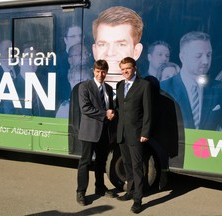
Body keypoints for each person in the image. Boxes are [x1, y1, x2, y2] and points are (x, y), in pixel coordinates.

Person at [160, 31, 222, 130]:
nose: (205, 61)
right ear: (182, 57)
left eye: (209, 55)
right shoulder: (162, 89)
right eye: (198, 56)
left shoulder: (219, 89)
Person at [76, 60, 115, 206]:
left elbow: (110, 108)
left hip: (104, 132)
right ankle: (81, 192)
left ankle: (100, 187)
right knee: (85, 162)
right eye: (98, 71)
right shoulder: (85, 86)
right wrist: (105, 114)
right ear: (93, 71)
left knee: (101, 162)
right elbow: (85, 108)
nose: (101, 74)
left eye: (103, 71)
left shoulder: (109, 89)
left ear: (106, 72)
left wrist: (112, 113)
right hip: (89, 132)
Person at [116, 57, 152, 214]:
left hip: (137, 134)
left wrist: (145, 132)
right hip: (121, 133)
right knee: (127, 164)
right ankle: (129, 191)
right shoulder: (120, 85)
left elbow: (148, 112)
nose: (125, 72)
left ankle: (138, 199)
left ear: (135, 68)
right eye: (123, 69)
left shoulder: (144, 85)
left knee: (137, 167)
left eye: (128, 69)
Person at [92, 6, 144, 88]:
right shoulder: (79, 93)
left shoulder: (157, 99)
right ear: (94, 51)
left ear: (136, 51)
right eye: (102, 44)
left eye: (121, 45)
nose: (110, 53)